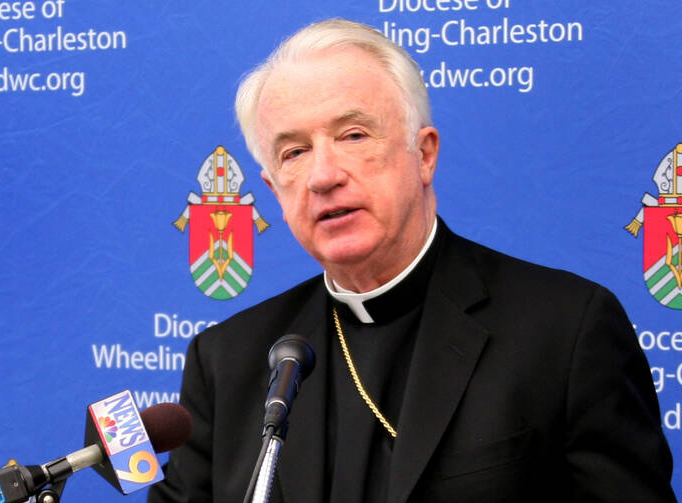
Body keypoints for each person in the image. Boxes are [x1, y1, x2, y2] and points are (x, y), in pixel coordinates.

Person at [148, 19, 676, 503]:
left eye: (353, 135)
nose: (323, 175)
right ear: (272, 189)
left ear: (423, 154)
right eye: (294, 152)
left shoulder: (564, 332)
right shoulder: (228, 360)